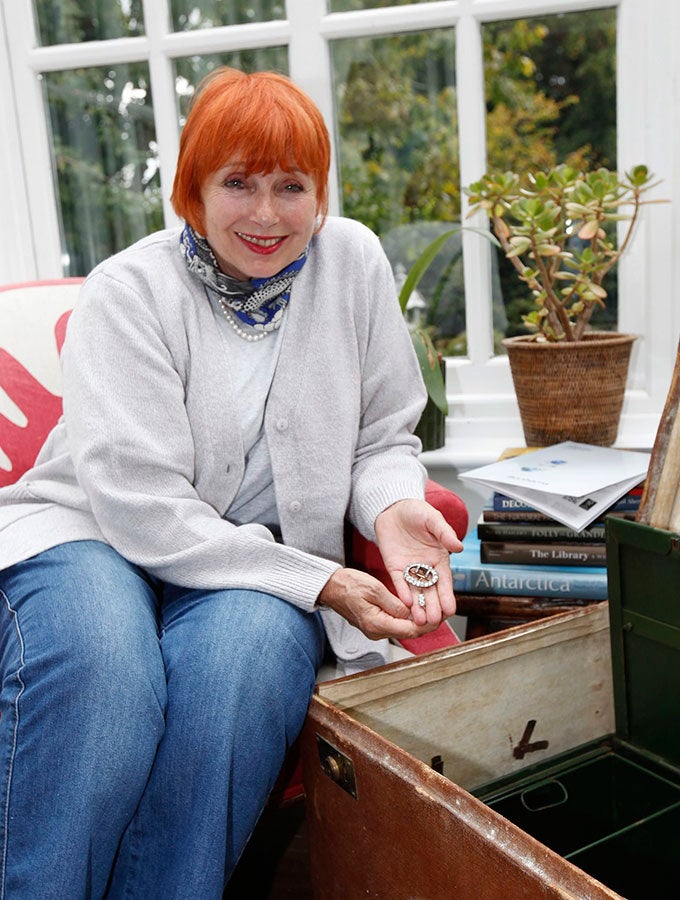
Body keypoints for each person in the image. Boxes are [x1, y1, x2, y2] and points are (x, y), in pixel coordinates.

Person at [0, 67, 463, 898]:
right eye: (237, 182)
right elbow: (138, 504)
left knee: (242, 667)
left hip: (250, 564)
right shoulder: (129, 291)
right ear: (193, 189)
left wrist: (394, 507)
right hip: (89, 535)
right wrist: (319, 579)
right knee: (105, 673)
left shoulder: (351, 263)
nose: (265, 213)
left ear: (319, 192)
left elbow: (384, 436)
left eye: (292, 186)